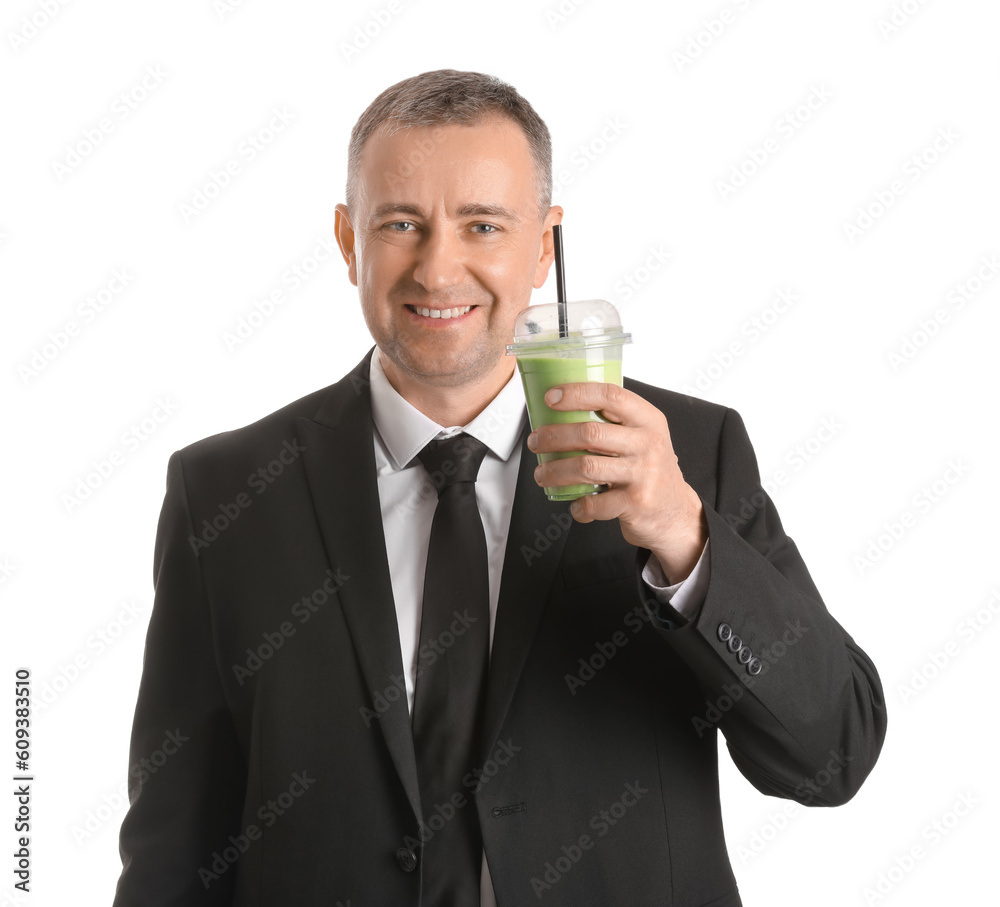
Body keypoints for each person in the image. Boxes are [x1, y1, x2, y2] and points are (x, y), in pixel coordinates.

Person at [112, 69, 887, 907]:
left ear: (544, 244)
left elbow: (833, 753)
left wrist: (687, 540)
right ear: (348, 241)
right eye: (401, 223)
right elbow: (174, 847)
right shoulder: (223, 492)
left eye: (482, 224)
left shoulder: (689, 452)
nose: (439, 270)